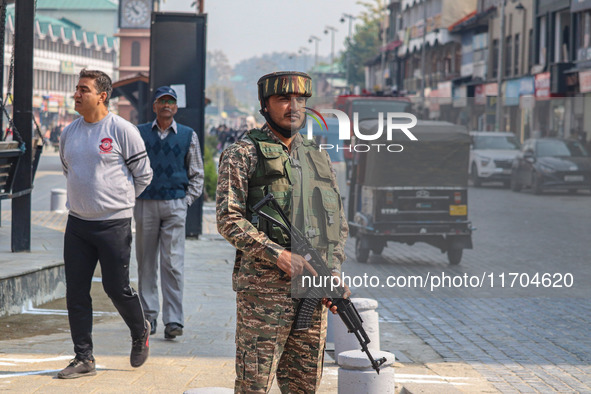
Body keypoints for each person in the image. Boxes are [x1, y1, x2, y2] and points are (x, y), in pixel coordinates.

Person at [216, 71, 349, 393]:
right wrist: (277, 254)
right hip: (263, 296)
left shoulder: (317, 157)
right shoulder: (242, 154)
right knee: (254, 386)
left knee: (304, 387)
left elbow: (338, 224)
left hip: (311, 294)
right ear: (265, 105)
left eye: (300, 100)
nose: (293, 107)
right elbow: (228, 218)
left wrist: (331, 273)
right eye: (283, 99)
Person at [58, 69, 153, 379]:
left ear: (102, 96)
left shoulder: (122, 130)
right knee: (76, 292)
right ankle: (83, 357)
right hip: (77, 226)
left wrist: (119, 202)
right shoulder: (68, 133)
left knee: (116, 288)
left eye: (83, 89)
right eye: (76, 89)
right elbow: (69, 170)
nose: (76, 94)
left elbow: (144, 176)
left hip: (114, 225)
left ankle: (140, 331)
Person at [135, 86, 204, 339]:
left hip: (175, 204)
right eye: (161, 101)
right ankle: (147, 317)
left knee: (173, 263)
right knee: (146, 263)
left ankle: (174, 320)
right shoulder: (139, 133)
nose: (166, 105)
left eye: (171, 101)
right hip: (144, 203)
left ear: (176, 107)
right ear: (154, 106)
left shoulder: (188, 135)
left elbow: (197, 174)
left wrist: (184, 202)